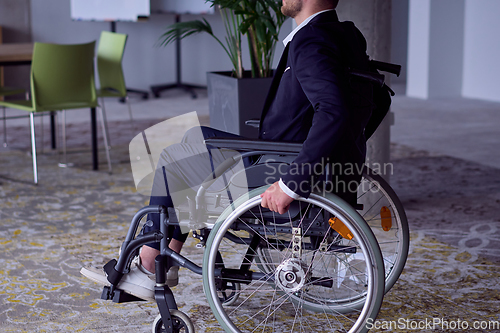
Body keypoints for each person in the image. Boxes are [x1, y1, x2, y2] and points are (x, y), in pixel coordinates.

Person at [81, 0, 373, 302]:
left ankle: (148, 263)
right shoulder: (344, 33)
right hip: (284, 153)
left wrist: (290, 184)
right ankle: (165, 260)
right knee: (196, 136)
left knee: (172, 163)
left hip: (279, 166)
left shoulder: (312, 40)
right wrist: (345, 150)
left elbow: (333, 112)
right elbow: (374, 105)